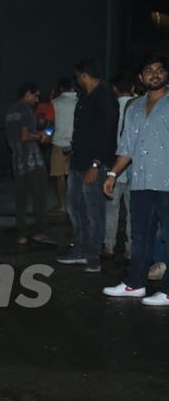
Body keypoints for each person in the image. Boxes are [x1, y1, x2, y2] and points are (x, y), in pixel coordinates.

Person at [102, 54, 169, 305]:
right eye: (149, 70)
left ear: (166, 75)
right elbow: (127, 146)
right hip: (140, 182)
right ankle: (135, 284)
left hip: (167, 182)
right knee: (140, 236)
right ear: (140, 78)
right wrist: (112, 174)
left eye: (160, 70)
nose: (155, 74)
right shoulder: (134, 107)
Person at [56, 58, 118, 273]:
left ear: (84, 75)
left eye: (78, 76)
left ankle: (93, 255)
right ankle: (80, 249)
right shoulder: (85, 97)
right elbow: (82, 132)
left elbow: (107, 134)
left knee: (94, 211)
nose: (77, 80)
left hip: (94, 164)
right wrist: (71, 157)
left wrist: (95, 164)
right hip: (78, 161)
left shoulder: (105, 96)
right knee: (74, 207)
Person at [5, 82, 54, 245]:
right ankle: (40, 232)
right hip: (32, 162)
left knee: (21, 200)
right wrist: (41, 136)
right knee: (39, 198)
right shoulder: (26, 109)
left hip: (17, 162)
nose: (37, 99)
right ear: (27, 93)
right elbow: (25, 136)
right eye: (36, 95)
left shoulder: (11, 110)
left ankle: (22, 234)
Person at [103, 72, 136, 259]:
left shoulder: (110, 106)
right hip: (132, 166)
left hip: (113, 166)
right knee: (132, 211)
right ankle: (130, 249)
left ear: (114, 89)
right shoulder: (141, 105)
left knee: (111, 209)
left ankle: (109, 245)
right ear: (133, 87)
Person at [49, 78, 78, 213]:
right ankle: (75, 204)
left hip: (59, 142)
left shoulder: (54, 103)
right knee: (74, 175)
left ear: (60, 88)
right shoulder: (80, 102)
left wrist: (46, 134)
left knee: (59, 175)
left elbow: (49, 125)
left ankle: (62, 205)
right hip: (76, 143)